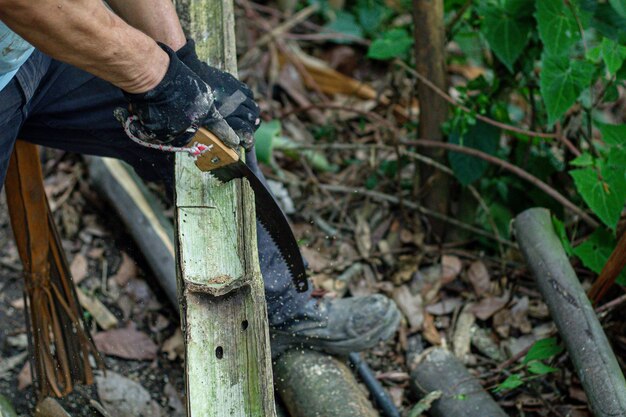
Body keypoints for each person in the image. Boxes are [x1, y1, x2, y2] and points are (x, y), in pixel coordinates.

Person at [0, 0, 400, 357]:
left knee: (210, 131)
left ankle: (283, 314)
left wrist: (181, 63)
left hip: (33, 47)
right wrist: (155, 77)